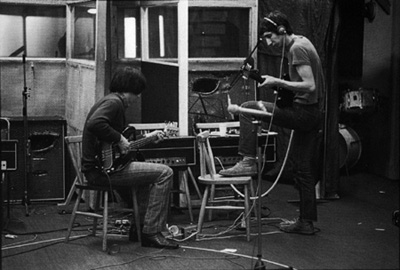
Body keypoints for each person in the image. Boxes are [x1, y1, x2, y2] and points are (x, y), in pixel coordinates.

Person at [220, 11, 325, 235]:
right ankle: (306, 223)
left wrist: (277, 81)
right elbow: (300, 86)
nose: (269, 43)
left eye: (271, 36)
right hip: (312, 113)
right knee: (303, 169)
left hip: (303, 114)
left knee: (248, 108)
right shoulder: (302, 42)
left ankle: (248, 160)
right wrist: (274, 82)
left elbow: (309, 85)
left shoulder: (296, 49)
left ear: (282, 30)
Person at [81, 67, 179, 249]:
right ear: (130, 90)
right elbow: (95, 123)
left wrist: (149, 138)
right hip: (101, 173)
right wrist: (118, 138)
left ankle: (139, 228)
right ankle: (152, 232)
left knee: (147, 177)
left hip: (101, 168)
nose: (137, 98)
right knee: (165, 172)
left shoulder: (109, 100)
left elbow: (124, 146)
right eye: (137, 93)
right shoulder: (114, 103)